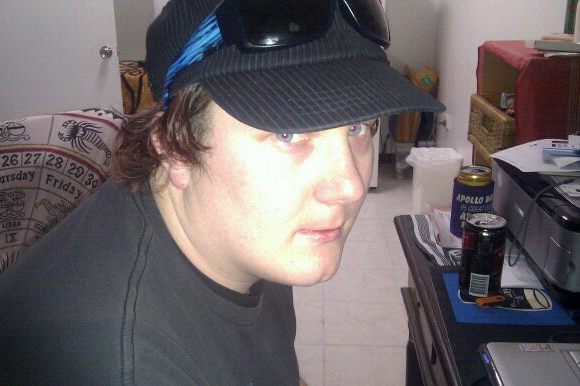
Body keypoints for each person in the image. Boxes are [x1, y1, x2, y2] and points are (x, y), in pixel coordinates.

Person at [0, 0, 444, 384]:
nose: (348, 186)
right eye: (288, 133)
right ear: (173, 146)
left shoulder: (245, 231)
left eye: (358, 126)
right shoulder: (124, 364)